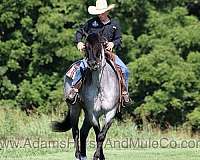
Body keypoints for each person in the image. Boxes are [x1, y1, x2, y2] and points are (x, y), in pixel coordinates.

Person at [66, 0, 130, 105]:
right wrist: (78, 42)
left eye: (103, 12)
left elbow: (119, 39)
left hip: (108, 53)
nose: (101, 15)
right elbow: (79, 32)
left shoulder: (114, 24)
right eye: (99, 13)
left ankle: (124, 93)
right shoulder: (91, 23)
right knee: (82, 67)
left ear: (107, 12)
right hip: (92, 54)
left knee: (125, 70)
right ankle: (74, 89)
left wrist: (113, 44)